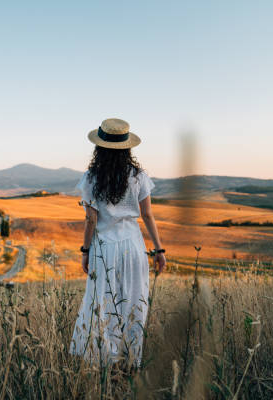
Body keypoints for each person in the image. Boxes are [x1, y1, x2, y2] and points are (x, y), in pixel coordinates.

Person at [69, 118, 166, 369]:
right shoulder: (138, 177)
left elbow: (91, 219)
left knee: (101, 302)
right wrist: (159, 249)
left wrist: (85, 251)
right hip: (133, 246)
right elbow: (147, 215)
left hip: (104, 248)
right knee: (134, 301)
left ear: (98, 148)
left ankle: (104, 362)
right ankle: (130, 360)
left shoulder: (91, 178)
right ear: (127, 147)